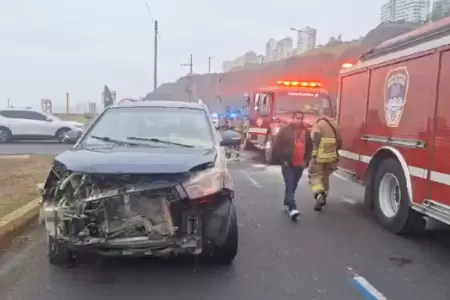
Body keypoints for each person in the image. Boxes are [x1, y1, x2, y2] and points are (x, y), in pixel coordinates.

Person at [272, 111, 312, 221]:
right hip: (288, 164)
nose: (299, 120)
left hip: (300, 164)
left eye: (301, 118)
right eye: (297, 118)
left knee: (293, 186)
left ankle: (286, 202)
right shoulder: (285, 131)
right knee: (290, 184)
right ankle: (292, 208)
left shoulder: (306, 132)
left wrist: (306, 161)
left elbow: (310, 148)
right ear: (292, 118)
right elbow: (276, 146)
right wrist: (282, 160)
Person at [308, 107, 342, 211]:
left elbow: (315, 137)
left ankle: (319, 195)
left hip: (319, 156)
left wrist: (314, 152)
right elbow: (339, 141)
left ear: (322, 114)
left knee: (314, 175)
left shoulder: (319, 124)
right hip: (331, 157)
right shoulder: (335, 124)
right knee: (325, 176)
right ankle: (325, 196)